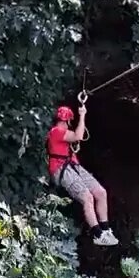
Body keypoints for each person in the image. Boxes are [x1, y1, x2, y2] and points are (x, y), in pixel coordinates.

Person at [47, 103, 118, 246]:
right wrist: (83, 114)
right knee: (87, 197)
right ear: (68, 121)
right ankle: (98, 234)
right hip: (61, 169)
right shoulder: (55, 132)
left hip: (72, 167)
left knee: (100, 192)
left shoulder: (62, 133)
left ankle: (105, 229)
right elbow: (78, 135)